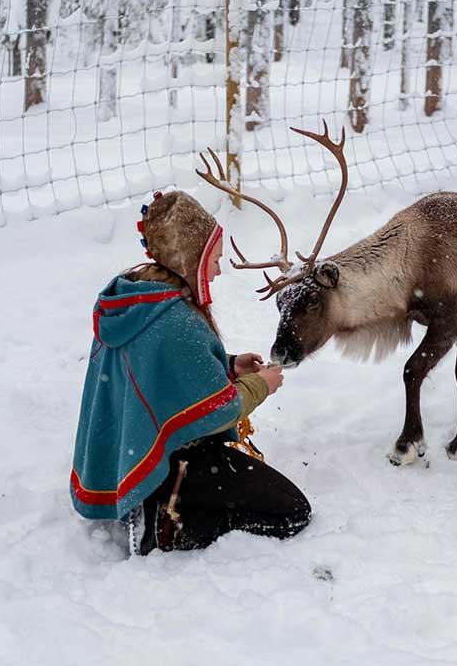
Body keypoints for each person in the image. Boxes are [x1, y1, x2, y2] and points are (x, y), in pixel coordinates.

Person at [70, 190, 311, 555]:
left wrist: (228, 365)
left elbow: (159, 371)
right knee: (292, 511)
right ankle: (171, 525)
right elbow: (220, 410)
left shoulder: (135, 299)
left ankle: (156, 498)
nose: (217, 270)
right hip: (179, 461)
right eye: (213, 259)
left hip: (134, 452)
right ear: (191, 258)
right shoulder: (176, 321)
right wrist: (261, 385)